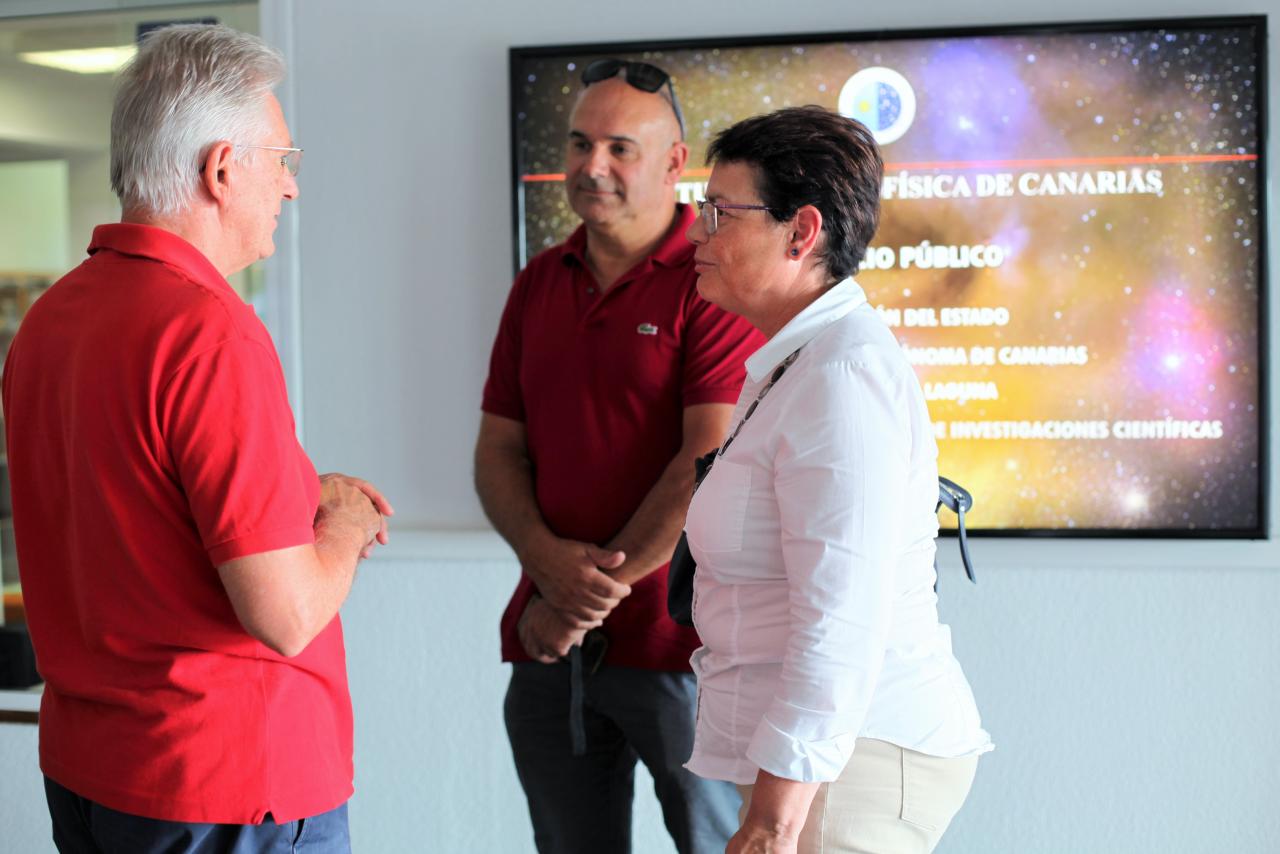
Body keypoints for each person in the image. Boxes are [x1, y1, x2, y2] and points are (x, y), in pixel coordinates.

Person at [2, 25, 392, 853]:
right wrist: (349, 523)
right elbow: (285, 615)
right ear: (222, 170)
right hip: (225, 788)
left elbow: (147, 514)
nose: (291, 189)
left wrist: (302, 495)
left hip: (93, 772)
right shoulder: (211, 331)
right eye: (283, 162)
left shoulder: (49, 321)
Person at [682, 105, 993, 854]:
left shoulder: (842, 377)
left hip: (857, 766)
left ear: (802, 231)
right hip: (826, 761)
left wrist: (773, 819)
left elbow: (841, 614)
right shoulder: (798, 361)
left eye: (720, 212)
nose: (698, 232)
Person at [475, 58, 762, 854]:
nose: (589, 167)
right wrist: (544, 563)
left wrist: (573, 598)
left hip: (684, 654)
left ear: (675, 164)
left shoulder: (715, 281)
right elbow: (498, 450)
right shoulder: (537, 284)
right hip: (550, 652)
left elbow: (707, 460)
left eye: (618, 148)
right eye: (577, 144)